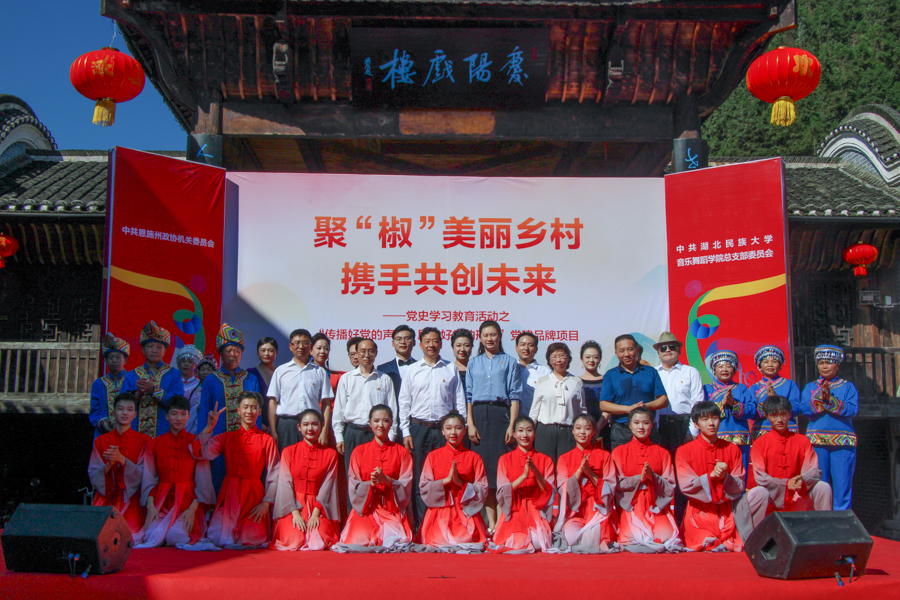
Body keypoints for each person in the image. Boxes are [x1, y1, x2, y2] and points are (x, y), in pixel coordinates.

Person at [399, 327, 467, 529]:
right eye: (427, 341)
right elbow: (404, 403)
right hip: (418, 429)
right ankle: (422, 526)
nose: (431, 345)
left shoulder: (450, 369)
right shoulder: (411, 370)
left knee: (444, 476)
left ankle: (444, 524)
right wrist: (406, 432)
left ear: (441, 344)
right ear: (420, 345)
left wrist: (460, 429)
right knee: (421, 478)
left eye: (435, 341)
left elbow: (460, 402)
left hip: (443, 431)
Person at [196, 391, 279, 548]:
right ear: (238, 411)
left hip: (254, 497)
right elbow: (202, 453)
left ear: (259, 412)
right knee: (217, 537)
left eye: (253, 407)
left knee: (251, 539)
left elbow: (275, 473)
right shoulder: (227, 437)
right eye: (245, 407)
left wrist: (266, 503)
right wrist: (209, 427)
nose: (249, 411)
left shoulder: (266, 440)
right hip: (230, 493)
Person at [135, 395, 215, 549]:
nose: (178, 418)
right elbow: (149, 478)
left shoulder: (194, 443)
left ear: (189, 416)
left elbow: (203, 481)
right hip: (162, 501)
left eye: (183, 414)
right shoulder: (154, 444)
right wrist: (151, 506)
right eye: (174, 414)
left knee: (176, 536)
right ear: (167, 416)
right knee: (151, 536)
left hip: (187, 502)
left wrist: (193, 509)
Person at [465, 319, 523, 533]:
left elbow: (515, 396)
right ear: (480, 338)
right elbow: (468, 395)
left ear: (500, 336)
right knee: (484, 472)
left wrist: (512, 425)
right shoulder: (473, 362)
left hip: (501, 416)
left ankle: (502, 521)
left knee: (500, 471)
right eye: (485, 335)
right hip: (479, 416)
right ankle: (490, 522)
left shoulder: (509, 361)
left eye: (493, 334)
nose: (489, 338)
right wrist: (470, 423)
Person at [334, 404, 414, 552]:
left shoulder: (402, 453)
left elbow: (406, 485)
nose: (380, 425)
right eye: (376, 421)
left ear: (391, 423)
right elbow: (354, 485)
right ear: (370, 423)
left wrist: (387, 481)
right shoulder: (358, 452)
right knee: (359, 540)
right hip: (366, 508)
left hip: (391, 509)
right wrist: (370, 484)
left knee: (393, 540)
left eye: (385, 421)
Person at [745, 395, 833, 529]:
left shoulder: (803, 440)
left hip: (798, 497)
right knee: (759, 492)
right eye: (774, 416)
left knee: (823, 487)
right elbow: (761, 478)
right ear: (767, 417)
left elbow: (813, 470)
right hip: (772, 499)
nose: (780, 420)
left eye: (783, 415)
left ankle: (824, 531)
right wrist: (786, 484)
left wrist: (802, 481)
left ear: (790, 415)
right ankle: (756, 535)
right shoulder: (759, 444)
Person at [675, 401, 748, 552]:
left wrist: (725, 477)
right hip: (699, 509)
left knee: (759, 494)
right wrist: (710, 477)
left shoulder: (732, 449)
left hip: (726, 508)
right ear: (696, 424)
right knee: (706, 541)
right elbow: (686, 485)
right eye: (705, 419)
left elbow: (740, 484)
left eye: (714, 418)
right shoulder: (684, 451)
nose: (711, 423)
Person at [197, 324, 261, 489]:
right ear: (220, 353)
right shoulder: (211, 380)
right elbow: (203, 413)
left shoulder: (250, 379)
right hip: (218, 443)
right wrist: (203, 441)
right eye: (229, 350)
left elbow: (257, 413)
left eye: (237, 351)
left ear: (242, 354)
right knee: (218, 482)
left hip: (247, 443)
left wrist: (258, 439)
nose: (233, 354)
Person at [612, 407, 682, 553]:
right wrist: (639, 478)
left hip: (656, 505)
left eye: (645, 423)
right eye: (636, 423)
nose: (641, 427)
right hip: (632, 504)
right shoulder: (619, 452)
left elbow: (670, 484)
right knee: (635, 537)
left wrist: (653, 477)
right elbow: (616, 484)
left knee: (667, 537)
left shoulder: (663, 453)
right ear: (629, 425)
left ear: (652, 425)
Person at [416, 412, 489, 552]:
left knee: (465, 539)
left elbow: (483, 488)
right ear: (442, 431)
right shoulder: (433, 456)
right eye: (448, 428)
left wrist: (460, 483)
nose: (453, 432)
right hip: (440, 511)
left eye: (458, 428)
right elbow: (424, 487)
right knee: (439, 540)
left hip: (465, 510)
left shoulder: (474, 457)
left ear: (465, 430)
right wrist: (445, 481)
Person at [270, 409, 341, 551]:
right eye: (306, 424)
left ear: (321, 426)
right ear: (299, 427)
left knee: (319, 541)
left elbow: (328, 487)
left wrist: (315, 515)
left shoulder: (330, 454)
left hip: (319, 507)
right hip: (292, 506)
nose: (310, 428)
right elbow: (285, 484)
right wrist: (295, 513)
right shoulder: (288, 452)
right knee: (293, 540)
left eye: (314, 424)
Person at [800, 345, 858, 511]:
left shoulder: (848, 387)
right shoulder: (810, 387)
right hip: (817, 442)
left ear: (838, 365)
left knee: (843, 484)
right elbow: (804, 409)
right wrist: (821, 399)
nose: (824, 366)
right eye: (821, 363)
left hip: (843, 442)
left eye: (829, 362)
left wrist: (831, 400)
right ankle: (821, 519)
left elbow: (853, 409)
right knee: (819, 484)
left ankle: (842, 519)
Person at [490, 416, 558, 554]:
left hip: (536, 508)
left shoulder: (545, 460)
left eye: (529, 430)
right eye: (520, 431)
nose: (525, 435)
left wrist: (535, 472)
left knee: (539, 542)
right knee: (517, 542)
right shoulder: (505, 459)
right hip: (515, 509)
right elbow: (502, 492)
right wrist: (523, 477)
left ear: (535, 433)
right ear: (514, 434)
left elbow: (550, 491)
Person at [332, 338, 397, 476]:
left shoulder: (384, 379)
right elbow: (338, 411)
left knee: (377, 474)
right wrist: (339, 437)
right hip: (352, 433)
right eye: (363, 351)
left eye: (370, 351)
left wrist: (390, 438)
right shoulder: (346, 379)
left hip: (377, 435)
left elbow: (392, 412)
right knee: (353, 475)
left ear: (376, 353)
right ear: (356, 354)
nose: (367, 355)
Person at [88, 392, 150, 534]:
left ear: (135, 414)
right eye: (120, 409)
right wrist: (108, 465)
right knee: (99, 533)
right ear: (113, 412)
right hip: (106, 498)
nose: (124, 413)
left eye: (129, 409)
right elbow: (93, 474)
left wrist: (122, 460)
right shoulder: (100, 441)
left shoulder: (144, 441)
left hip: (132, 500)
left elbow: (146, 475)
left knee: (131, 534)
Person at [555, 414, 618, 554]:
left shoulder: (604, 455)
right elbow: (563, 488)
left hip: (599, 510)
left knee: (596, 539)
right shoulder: (564, 458)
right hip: (575, 512)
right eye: (578, 428)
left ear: (594, 431)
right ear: (573, 431)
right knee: (571, 538)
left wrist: (589, 472)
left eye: (587, 428)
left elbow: (610, 487)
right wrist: (579, 472)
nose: (582, 432)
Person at [269, 328, 334, 452]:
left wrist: (325, 430)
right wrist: (273, 430)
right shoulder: (281, 371)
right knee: (286, 459)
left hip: (312, 425)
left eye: (305, 343)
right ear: (290, 346)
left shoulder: (319, 372)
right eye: (297, 343)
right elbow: (273, 402)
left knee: (312, 459)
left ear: (310, 346)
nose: (301, 346)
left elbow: (326, 403)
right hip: (287, 425)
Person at [600, 334, 668, 449]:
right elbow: (604, 405)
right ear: (616, 354)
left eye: (630, 349)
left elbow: (664, 400)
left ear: (637, 350)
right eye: (622, 351)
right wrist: (629, 409)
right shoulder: (610, 375)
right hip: (622, 431)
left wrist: (644, 407)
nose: (626, 354)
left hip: (647, 430)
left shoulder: (651, 372)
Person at [122, 321, 185, 437]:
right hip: (134, 436)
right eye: (150, 346)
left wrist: (153, 390)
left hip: (164, 435)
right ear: (143, 349)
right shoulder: (131, 375)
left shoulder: (174, 374)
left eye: (159, 347)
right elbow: (121, 405)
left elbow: (178, 404)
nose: (154, 350)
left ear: (165, 351)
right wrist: (137, 394)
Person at [529, 342, 587, 465]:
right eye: (554, 357)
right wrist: (530, 430)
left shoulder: (576, 382)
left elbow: (582, 410)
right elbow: (534, 410)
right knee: (544, 467)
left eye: (562, 356)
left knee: (567, 467)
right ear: (549, 361)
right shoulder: (542, 381)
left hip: (568, 431)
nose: (558, 360)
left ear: (568, 358)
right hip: (545, 431)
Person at [704, 351, 755, 473]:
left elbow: (753, 410)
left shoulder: (742, 388)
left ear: (735, 369)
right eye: (720, 366)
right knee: (717, 471)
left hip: (740, 437)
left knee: (740, 471)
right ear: (714, 370)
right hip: (716, 436)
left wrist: (734, 404)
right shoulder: (707, 389)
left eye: (728, 366)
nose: (724, 369)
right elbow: (702, 412)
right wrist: (721, 404)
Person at [749, 345, 801, 440]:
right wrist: (767, 403)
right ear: (760, 366)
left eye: (774, 361)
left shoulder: (789, 384)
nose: (770, 365)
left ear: (780, 366)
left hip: (787, 429)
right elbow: (752, 413)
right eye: (766, 362)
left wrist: (777, 401)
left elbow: (796, 408)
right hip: (763, 430)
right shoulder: (754, 388)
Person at [89, 333, 131, 438]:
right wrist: (103, 422)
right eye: (111, 357)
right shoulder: (99, 384)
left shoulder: (132, 380)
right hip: (104, 434)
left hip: (129, 433)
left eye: (118, 357)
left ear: (125, 360)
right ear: (106, 360)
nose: (114, 360)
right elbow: (95, 409)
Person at [515, 332, 552, 417]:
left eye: (530, 345)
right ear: (516, 348)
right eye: (523, 344)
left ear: (536, 349)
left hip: (536, 421)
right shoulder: (510, 369)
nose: (526, 348)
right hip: (513, 421)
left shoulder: (545, 373)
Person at [377, 325, 417, 400]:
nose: (403, 342)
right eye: (399, 339)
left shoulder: (421, 366)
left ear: (414, 342)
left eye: (407, 338)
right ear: (393, 343)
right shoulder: (383, 369)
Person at [247, 337, 278, 431]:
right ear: (258, 352)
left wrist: (274, 426)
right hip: (258, 423)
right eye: (263, 350)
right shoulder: (250, 373)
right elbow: (249, 400)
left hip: (278, 423)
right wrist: (259, 423)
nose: (266, 354)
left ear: (276, 352)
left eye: (270, 350)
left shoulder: (280, 373)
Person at [175, 345, 203, 434]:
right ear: (178, 364)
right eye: (183, 361)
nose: (186, 364)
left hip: (193, 430)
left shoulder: (201, 385)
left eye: (190, 362)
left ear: (196, 365)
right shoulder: (173, 383)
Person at [578, 341, 607, 428]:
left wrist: (598, 427)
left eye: (595, 357)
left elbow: (609, 406)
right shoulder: (576, 381)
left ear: (600, 359)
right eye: (588, 357)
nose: (591, 360)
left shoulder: (606, 380)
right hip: (582, 428)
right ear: (582, 359)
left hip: (603, 427)